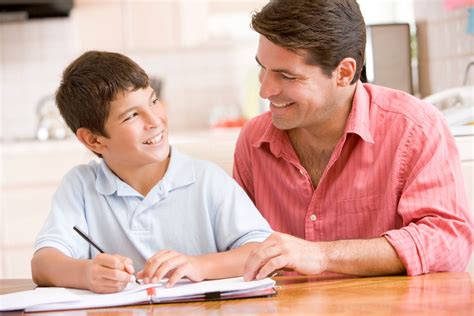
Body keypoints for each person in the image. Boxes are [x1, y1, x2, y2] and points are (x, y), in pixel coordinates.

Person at [233, 0, 473, 280]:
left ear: (344, 73)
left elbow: (448, 241)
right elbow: (238, 244)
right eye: (263, 67)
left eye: (287, 76)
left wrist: (322, 255)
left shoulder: (414, 128)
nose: (265, 90)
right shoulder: (253, 141)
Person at [31, 51, 273, 294]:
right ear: (94, 140)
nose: (155, 120)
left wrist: (200, 265)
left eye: (153, 101)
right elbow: (43, 264)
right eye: (132, 115)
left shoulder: (207, 180)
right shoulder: (81, 186)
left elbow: (264, 250)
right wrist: (86, 273)